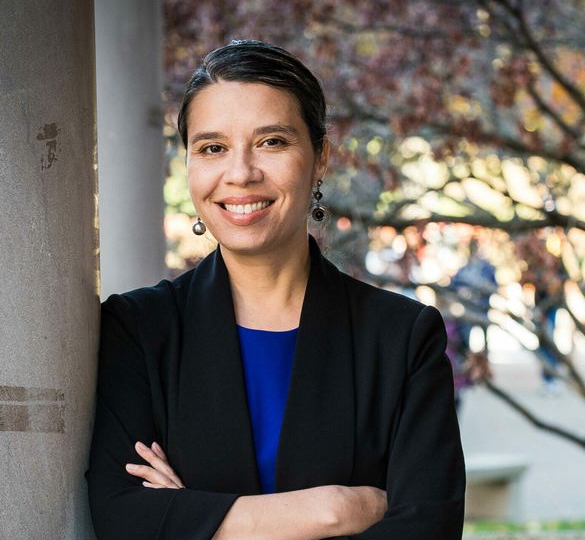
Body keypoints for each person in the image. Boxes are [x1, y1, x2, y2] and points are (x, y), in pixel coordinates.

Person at [86, 40, 465, 539]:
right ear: (190, 164)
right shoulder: (137, 330)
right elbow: (122, 517)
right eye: (212, 148)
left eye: (272, 142)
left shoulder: (402, 339)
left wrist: (193, 518)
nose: (240, 173)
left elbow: (426, 529)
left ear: (321, 157)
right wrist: (331, 511)